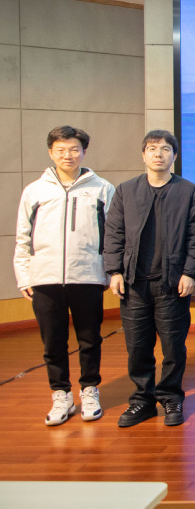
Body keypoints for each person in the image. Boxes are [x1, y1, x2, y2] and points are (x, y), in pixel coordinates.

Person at [14, 126, 116, 426]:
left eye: (74, 149)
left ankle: (89, 390)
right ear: (51, 152)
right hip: (44, 279)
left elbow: (113, 236)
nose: (67, 155)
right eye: (60, 150)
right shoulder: (34, 191)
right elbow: (22, 237)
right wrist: (24, 276)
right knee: (53, 342)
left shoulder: (102, 188)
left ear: (84, 152)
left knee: (90, 338)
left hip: (88, 276)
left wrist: (109, 272)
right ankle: (61, 394)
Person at [104, 130, 195, 427]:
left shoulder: (188, 191)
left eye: (164, 149)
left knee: (173, 346)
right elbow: (114, 233)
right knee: (138, 347)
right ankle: (142, 400)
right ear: (143, 155)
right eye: (152, 148)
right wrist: (114, 271)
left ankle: (171, 396)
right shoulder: (126, 191)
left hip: (172, 283)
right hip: (133, 283)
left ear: (174, 155)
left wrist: (190, 272)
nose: (158, 154)